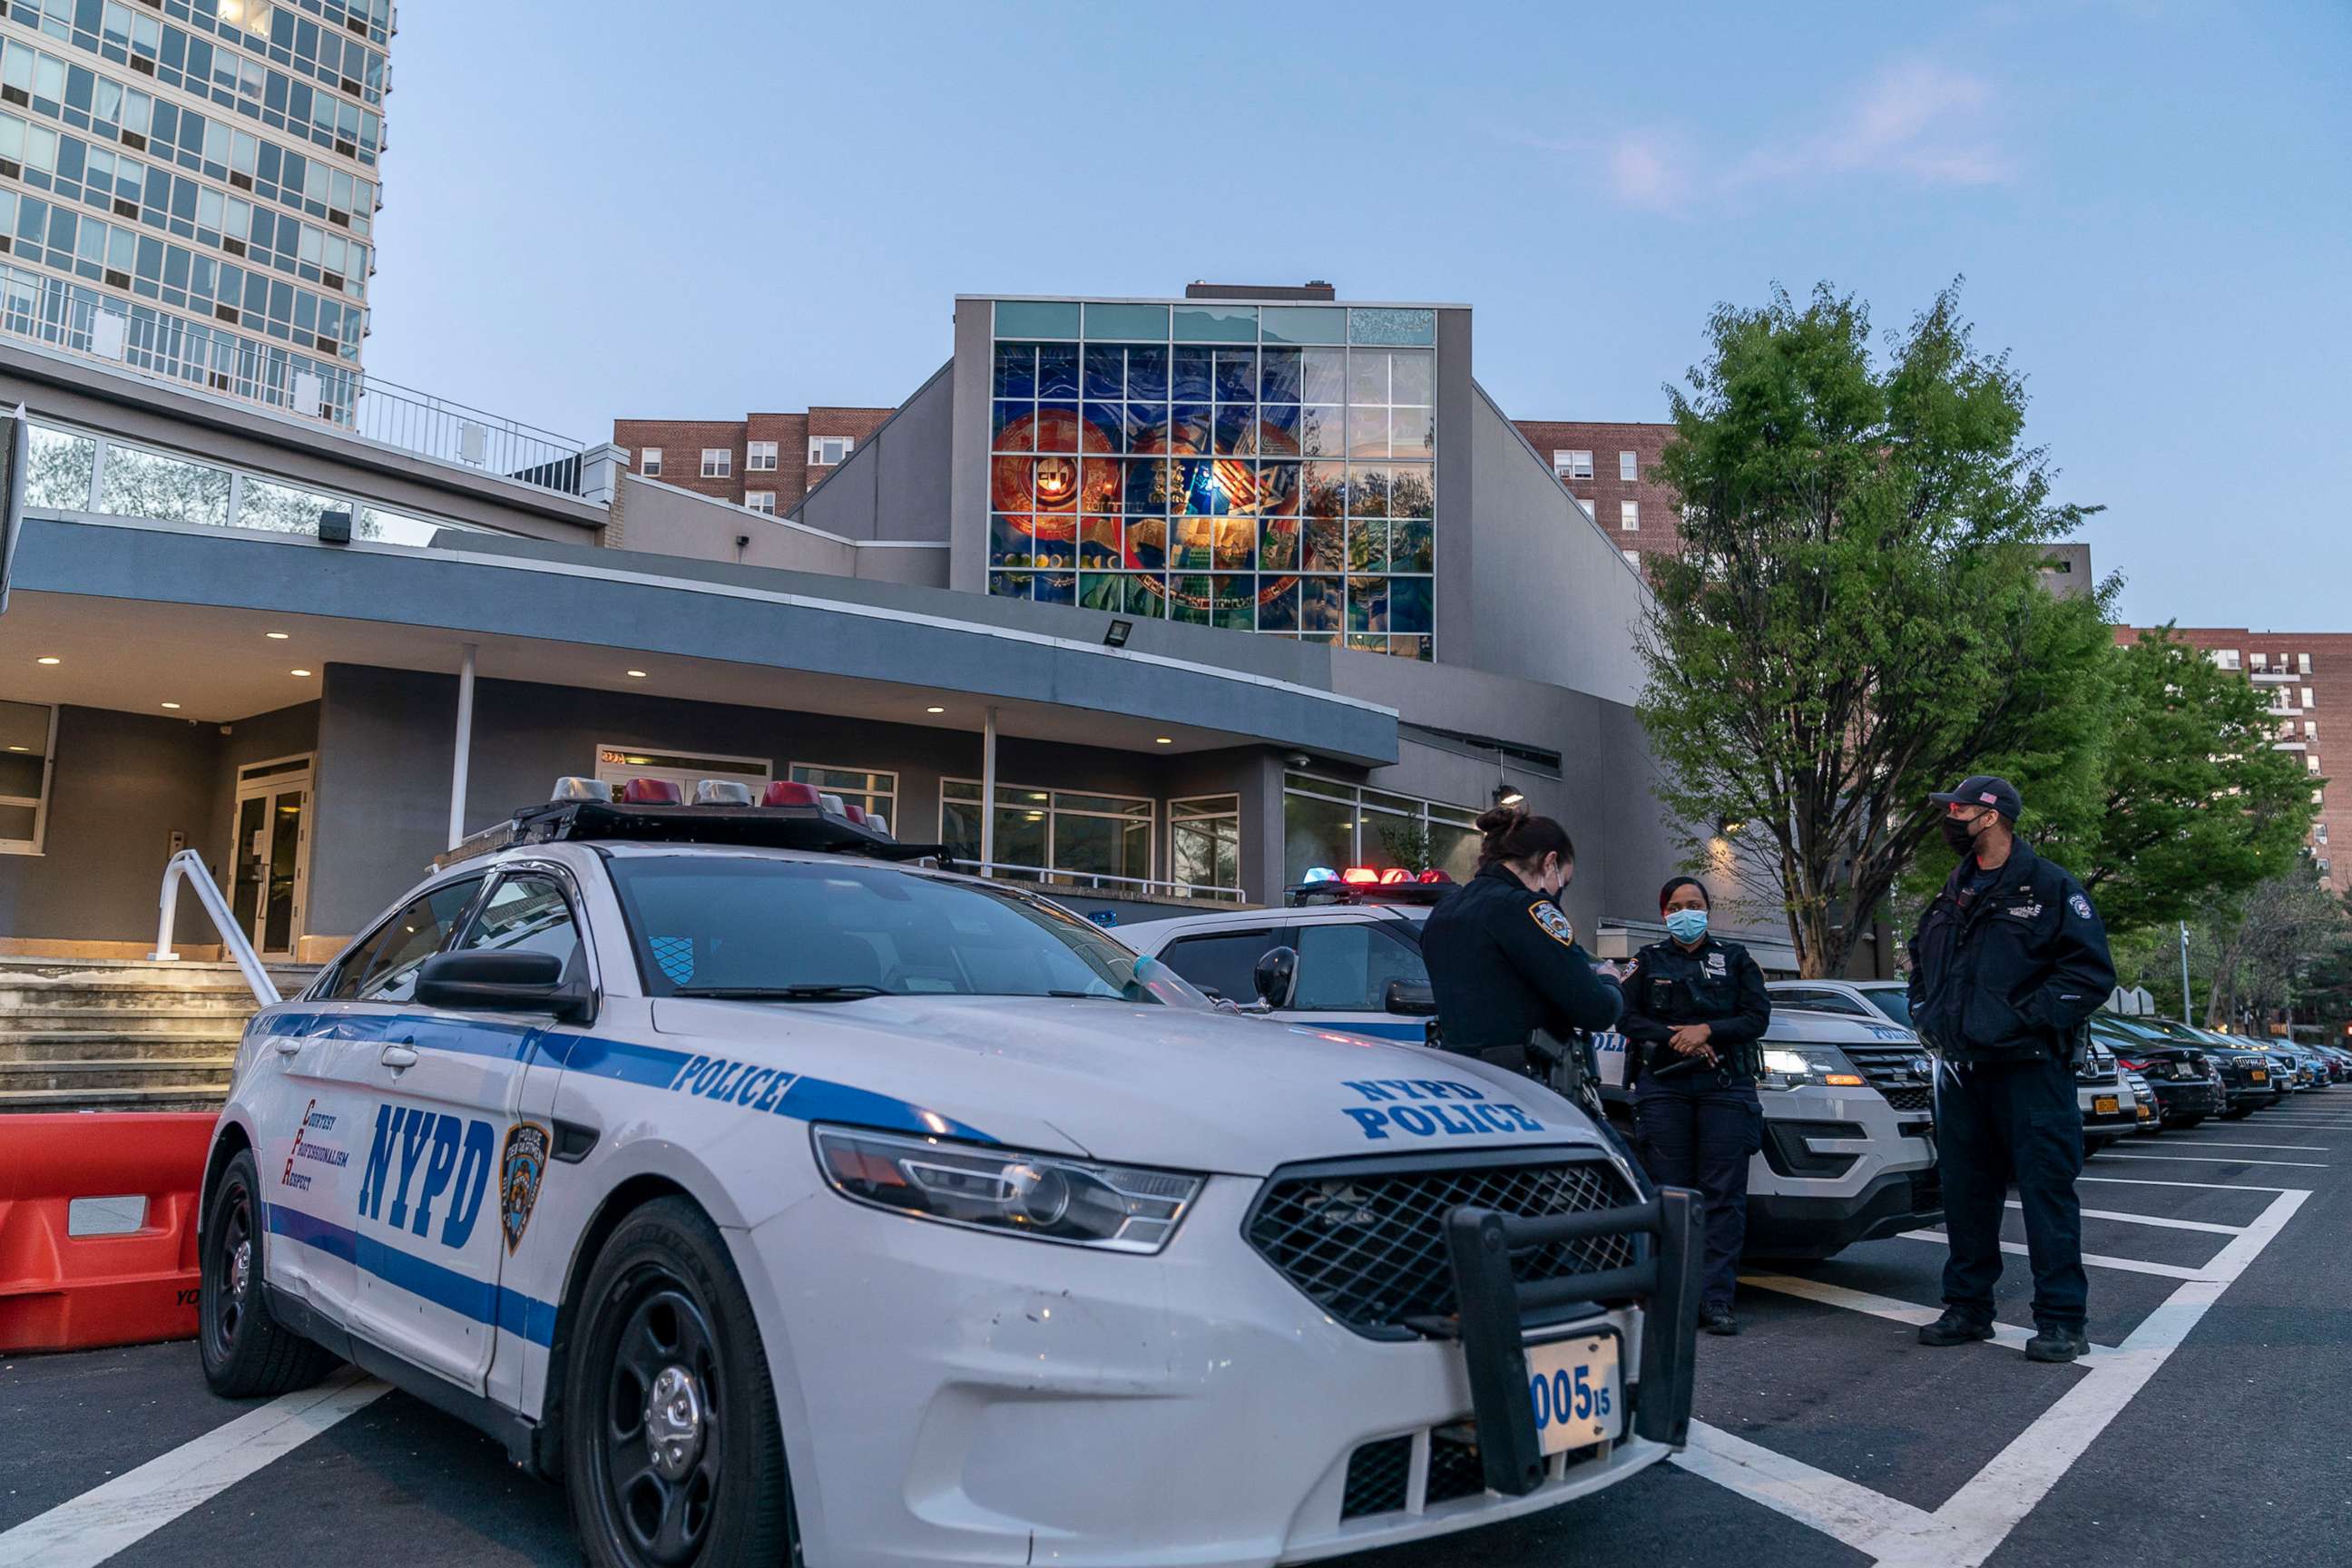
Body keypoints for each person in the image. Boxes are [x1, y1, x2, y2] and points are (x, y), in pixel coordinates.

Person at [1907, 775, 2115, 1365]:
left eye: (1958, 808)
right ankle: (1968, 1309)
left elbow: (2090, 974)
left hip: (2031, 1072)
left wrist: (2023, 1019)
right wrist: (1926, 1011)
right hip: (1963, 1074)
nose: (1949, 817)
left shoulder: (2049, 887)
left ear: (1992, 816)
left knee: (2047, 1194)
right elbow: (1920, 959)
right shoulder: (1951, 894)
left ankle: (2061, 1322)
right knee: (1966, 1197)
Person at [1616, 877, 1771, 1337]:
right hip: (1663, 1088)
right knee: (1672, 1193)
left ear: (1708, 909)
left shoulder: (1737, 959)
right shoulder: (1646, 961)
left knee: (1723, 1196)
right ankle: (1675, 1297)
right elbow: (1624, 1016)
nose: (1687, 912)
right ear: (1665, 914)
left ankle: (1716, 1299)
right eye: (1678, 906)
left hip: (1725, 1086)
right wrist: (1675, 1038)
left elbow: (1756, 1017)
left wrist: (1706, 1031)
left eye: (1696, 904)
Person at [1420, 806, 1622, 1090]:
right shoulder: (1526, 909)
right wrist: (1610, 979)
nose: (1561, 889)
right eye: (1565, 879)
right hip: (1526, 1086)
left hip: (1462, 1083)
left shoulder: (1444, 910)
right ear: (1549, 862)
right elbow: (1597, 1009)